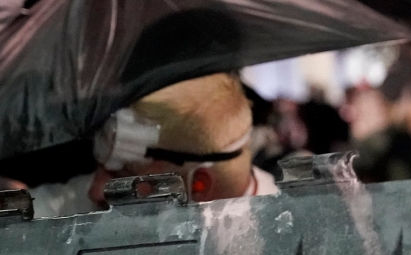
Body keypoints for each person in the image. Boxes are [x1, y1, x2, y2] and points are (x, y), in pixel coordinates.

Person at [29, 72, 278, 218]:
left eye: (123, 177)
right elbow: (42, 208)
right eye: (101, 168)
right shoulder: (99, 201)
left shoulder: (280, 235)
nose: (95, 191)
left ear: (199, 185)